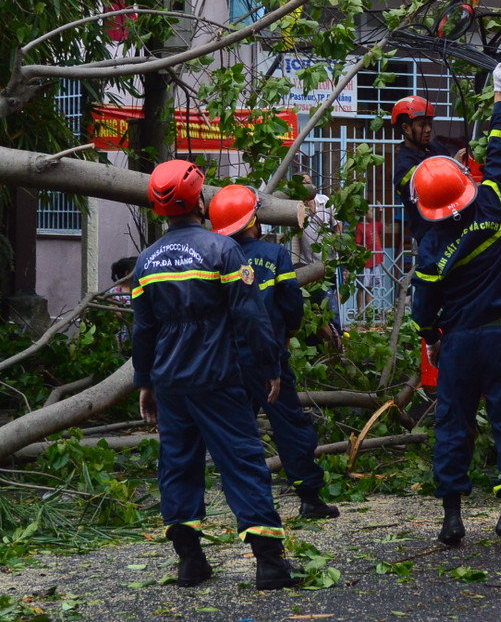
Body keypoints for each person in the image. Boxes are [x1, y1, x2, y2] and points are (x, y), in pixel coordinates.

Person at [130, 160, 297, 590]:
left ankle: (190, 562)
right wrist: (270, 367)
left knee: (177, 466)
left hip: (171, 384)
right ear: (200, 202)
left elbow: (143, 331)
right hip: (218, 377)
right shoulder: (224, 251)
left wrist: (145, 383)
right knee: (242, 461)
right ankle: (270, 565)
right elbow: (251, 318)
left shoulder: (146, 262)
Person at [410, 62, 501, 550]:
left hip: (458, 344)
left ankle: (452, 519)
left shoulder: (430, 247)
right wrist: (500, 96)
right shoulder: (491, 204)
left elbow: (423, 308)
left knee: (453, 426)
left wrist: (431, 339)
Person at [208, 184, 341, 522]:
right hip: (269, 357)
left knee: (236, 430)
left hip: (227, 360)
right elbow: (292, 305)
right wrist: (287, 334)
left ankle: (245, 501)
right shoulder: (274, 255)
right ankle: (309, 497)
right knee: (290, 426)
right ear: (254, 222)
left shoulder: (212, 258)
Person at [390, 95, 463, 245]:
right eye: (422, 125)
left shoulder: (436, 148)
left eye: (430, 124)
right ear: (406, 128)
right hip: (432, 239)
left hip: (455, 230)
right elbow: (431, 188)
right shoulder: (404, 166)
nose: (428, 129)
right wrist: (454, 165)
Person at [291, 173, 342, 347]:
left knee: (331, 305)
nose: (307, 185)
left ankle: (337, 342)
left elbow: (337, 223)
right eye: (302, 183)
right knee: (313, 305)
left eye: (308, 182)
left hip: (328, 263)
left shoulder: (324, 201)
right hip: (306, 265)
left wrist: (337, 239)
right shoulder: (295, 206)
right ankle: (319, 343)